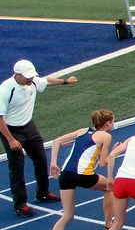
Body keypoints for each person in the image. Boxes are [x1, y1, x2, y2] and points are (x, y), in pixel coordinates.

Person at [0, 59, 78, 217]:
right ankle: (20, 204)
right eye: (27, 77)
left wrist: (65, 81)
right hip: (11, 129)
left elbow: (47, 81)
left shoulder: (32, 81)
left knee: (41, 159)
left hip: (29, 126)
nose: (31, 79)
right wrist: (11, 140)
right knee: (17, 167)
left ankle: (43, 193)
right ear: (18, 75)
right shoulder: (5, 90)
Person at [42, 109, 115, 230]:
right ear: (108, 123)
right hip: (84, 175)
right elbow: (103, 163)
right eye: (112, 121)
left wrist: (53, 163)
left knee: (67, 215)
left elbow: (56, 141)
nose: (113, 124)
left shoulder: (83, 131)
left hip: (66, 174)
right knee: (109, 188)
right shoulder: (106, 136)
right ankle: (108, 225)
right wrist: (115, 151)